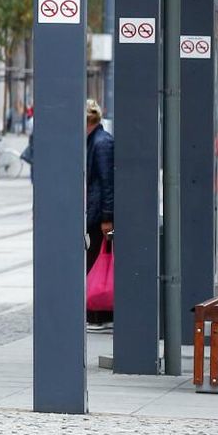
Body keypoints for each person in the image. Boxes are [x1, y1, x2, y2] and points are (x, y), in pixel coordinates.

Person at [85, 99, 116, 331]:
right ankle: (96, 311)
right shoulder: (94, 140)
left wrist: (107, 217)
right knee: (95, 261)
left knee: (98, 262)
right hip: (96, 212)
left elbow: (107, 183)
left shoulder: (101, 143)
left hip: (99, 216)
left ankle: (100, 312)